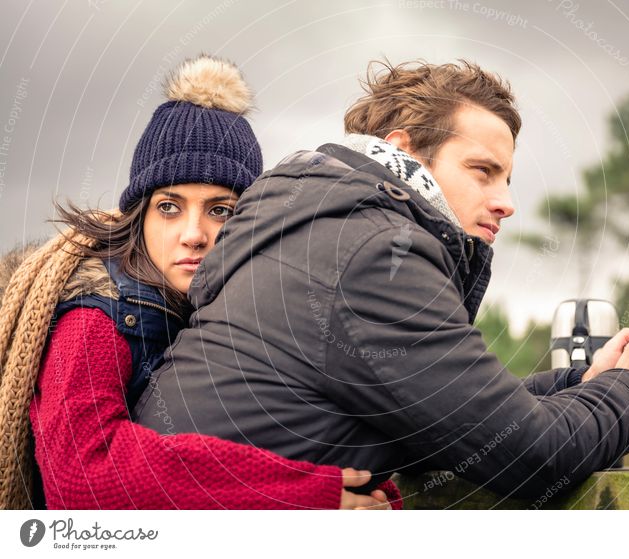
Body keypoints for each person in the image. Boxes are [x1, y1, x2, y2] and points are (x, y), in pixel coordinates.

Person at [135, 60, 629, 499]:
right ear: (401, 151)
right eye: (482, 171)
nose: (505, 202)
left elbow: (450, 417)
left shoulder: (316, 230)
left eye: (506, 178)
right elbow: (529, 455)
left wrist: (584, 382)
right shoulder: (372, 255)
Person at [0, 54, 399, 510]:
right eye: (169, 207)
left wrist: (369, 490)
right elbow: (84, 476)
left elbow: (293, 418)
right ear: (140, 216)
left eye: (219, 210)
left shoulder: (255, 312)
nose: (194, 234)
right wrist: (299, 495)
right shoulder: (97, 316)